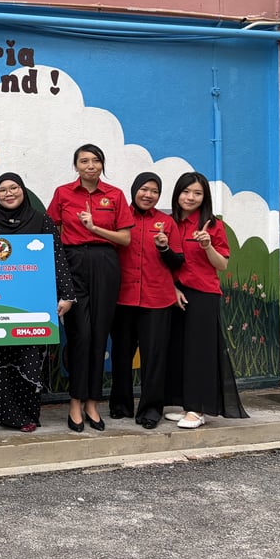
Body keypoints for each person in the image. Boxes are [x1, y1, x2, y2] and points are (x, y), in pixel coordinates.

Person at [0, 173, 76, 432]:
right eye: (2, 189)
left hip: (30, 307)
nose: (9, 193)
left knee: (25, 357)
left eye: (14, 187)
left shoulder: (41, 221)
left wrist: (67, 295)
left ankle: (24, 416)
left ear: (23, 190)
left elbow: (57, 258)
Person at [47, 144, 133, 433]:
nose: (90, 165)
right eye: (84, 161)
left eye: (96, 160)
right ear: (76, 166)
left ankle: (93, 402)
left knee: (99, 336)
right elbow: (50, 231)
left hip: (106, 263)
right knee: (79, 335)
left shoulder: (115, 195)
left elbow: (124, 239)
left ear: (102, 164)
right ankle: (74, 401)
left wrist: (95, 228)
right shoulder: (63, 193)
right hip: (73, 263)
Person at [164, 172, 248, 428]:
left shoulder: (212, 225)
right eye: (186, 192)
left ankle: (198, 410)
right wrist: (172, 289)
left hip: (203, 295)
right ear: (177, 193)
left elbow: (221, 265)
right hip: (175, 294)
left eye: (197, 193)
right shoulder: (167, 223)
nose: (190, 197)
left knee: (199, 352)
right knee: (179, 351)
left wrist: (207, 245)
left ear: (204, 197)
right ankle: (187, 405)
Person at [109, 172, 184, 429]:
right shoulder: (120, 218)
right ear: (134, 190)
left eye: (154, 191)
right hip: (123, 299)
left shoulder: (167, 223)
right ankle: (120, 404)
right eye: (144, 189)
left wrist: (164, 247)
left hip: (157, 300)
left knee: (154, 357)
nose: (148, 195)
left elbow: (177, 262)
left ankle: (151, 409)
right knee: (121, 354)